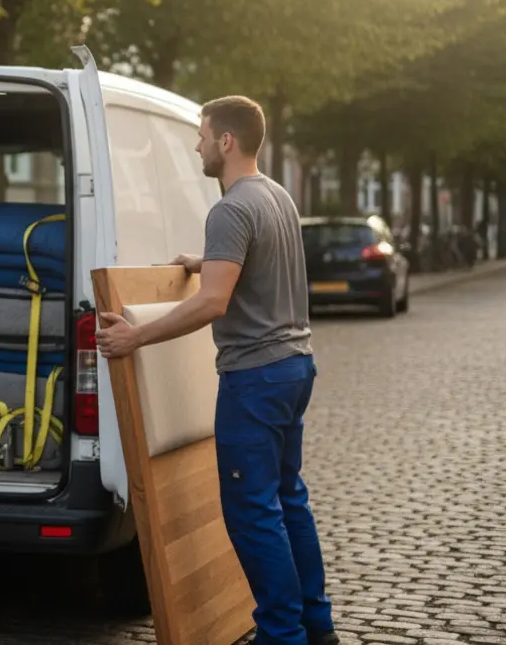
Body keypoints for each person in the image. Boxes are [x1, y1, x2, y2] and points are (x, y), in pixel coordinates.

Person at [94, 96, 337, 645]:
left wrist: (135, 335)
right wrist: (203, 261)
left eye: (202, 137)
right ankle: (317, 626)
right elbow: (255, 258)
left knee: (253, 512)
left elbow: (212, 303)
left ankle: (281, 635)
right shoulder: (275, 196)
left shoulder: (229, 209)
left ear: (226, 141)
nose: (197, 146)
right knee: (288, 499)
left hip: (255, 378)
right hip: (294, 368)